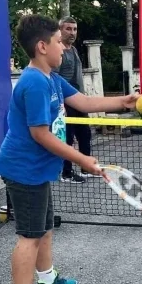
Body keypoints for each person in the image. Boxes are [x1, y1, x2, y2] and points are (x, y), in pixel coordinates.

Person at [0, 14, 138, 284]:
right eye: (59, 41)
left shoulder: (51, 78)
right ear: (43, 46)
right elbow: (40, 134)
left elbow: (83, 101)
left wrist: (122, 102)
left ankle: (45, 281)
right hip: (23, 169)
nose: (64, 47)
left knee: (43, 227)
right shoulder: (33, 83)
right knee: (29, 235)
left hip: (38, 169)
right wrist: (81, 158)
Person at [55, 17, 94, 184]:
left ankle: (86, 168)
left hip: (79, 100)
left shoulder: (74, 50)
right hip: (66, 103)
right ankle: (67, 173)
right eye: (68, 29)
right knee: (67, 139)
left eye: (75, 29)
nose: (72, 33)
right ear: (60, 30)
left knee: (85, 135)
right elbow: (54, 78)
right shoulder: (58, 52)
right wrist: (60, 103)